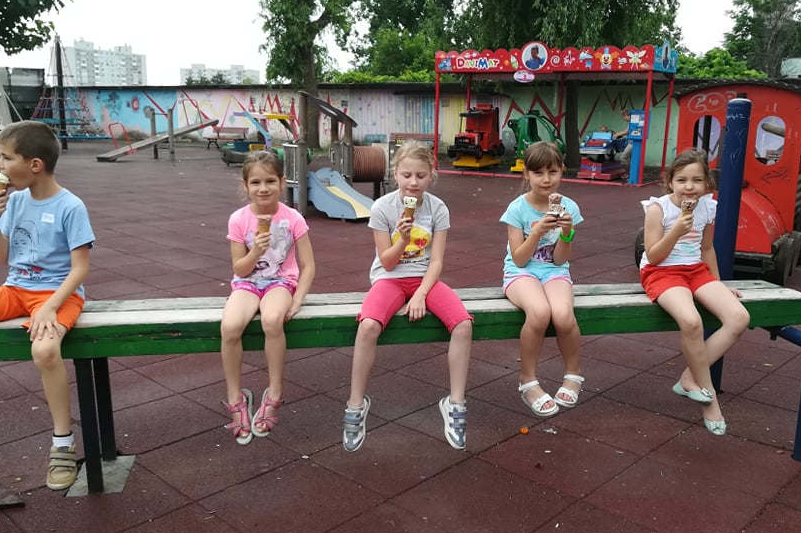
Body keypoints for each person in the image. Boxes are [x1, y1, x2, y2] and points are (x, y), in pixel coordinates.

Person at [0, 121, 95, 490]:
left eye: (6, 158)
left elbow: (80, 269)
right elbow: (3, 257)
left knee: (44, 350)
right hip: (15, 289)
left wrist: (50, 307)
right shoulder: (16, 201)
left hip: (58, 294)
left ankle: (62, 444)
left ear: (34, 165)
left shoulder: (70, 206)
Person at [343, 141, 472, 452]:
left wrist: (421, 295)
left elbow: (436, 261)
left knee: (463, 324)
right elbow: (387, 262)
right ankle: (355, 405)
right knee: (368, 325)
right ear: (395, 174)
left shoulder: (437, 208)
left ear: (431, 175)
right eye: (406, 175)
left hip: (424, 278)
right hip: (389, 279)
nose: (413, 182)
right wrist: (402, 238)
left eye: (421, 176)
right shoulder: (382, 208)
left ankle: (455, 403)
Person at [639, 150, 750, 436]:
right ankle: (710, 400)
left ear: (707, 183)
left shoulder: (707, 207)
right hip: (662, 271)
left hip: (695, 270)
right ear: (670, 182)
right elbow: (653, 256)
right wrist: (676, 230)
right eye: (682, 180)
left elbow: (707, 248)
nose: (689, 187)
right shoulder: (658, 209)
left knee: (739, 317)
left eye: (697, 180)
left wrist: (719, 284)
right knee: (691, 321)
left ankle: (690, 377)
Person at [220, 150, 315, 443]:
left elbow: (308, 266)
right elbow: (240, 268)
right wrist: (257, 251)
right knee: (230, 327)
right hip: (247, 282)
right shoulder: (239, 219)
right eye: (256, 182)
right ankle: (235, 397)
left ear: (282, 182)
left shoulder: (293, 218)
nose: (263, 188)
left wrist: (297, 300)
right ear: (245, 185)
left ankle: (274, 393)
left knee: (272, 320)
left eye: (270, 181)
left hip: (280, 282)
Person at [501, 141, 585, 417]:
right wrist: (537, 232)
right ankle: (528, 380)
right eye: (538, 173)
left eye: (552, 171)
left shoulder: (569, 207)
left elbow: (560, 260)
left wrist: (567, 233)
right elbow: (519, 259)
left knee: (563, 315)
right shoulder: (517, 209)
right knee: (539, 313)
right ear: (526, 174)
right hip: (520, 272)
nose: (546, 179)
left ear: (562, 171)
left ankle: (573, 374)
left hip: (554, 271)